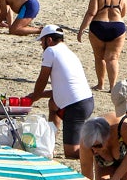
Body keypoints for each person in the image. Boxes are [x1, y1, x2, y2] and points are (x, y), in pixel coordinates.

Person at [26, 25, 94, 160]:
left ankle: (102, 151)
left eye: (42, 41)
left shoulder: (50, 51)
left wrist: (34, 96)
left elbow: (42, 79)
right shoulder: (68, 52)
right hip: (86, 101)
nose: (41, 44)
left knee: (71, 153)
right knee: (53, 104)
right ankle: (49, 143)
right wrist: (36, 96)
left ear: (49, 40)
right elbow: (63, 88)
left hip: (76, 107)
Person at [77, 0, 127, 91]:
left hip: (99, 26)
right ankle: (112, 86)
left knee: (99, 57)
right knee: (113, 58)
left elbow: (91, 13)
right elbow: (124, 12)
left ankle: (100, 84)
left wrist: (82, 29)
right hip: (117, 27)